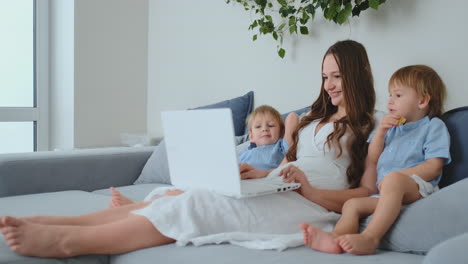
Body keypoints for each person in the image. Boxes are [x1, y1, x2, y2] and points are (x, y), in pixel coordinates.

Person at [0, 39, 378, 258]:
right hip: (280, 186)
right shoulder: (313, 117)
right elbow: (290, 166)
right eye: (325, 77)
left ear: (358, 74)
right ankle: (61, 222)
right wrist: (262, 174)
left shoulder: (372, 125)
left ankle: (68, 242)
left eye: (337, 76)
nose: (329, 85)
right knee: (191, 192)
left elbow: (363, 193)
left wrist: (307, 189)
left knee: (196, 204)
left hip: (310, 204)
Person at [301, 65, 451, 255]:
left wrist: (396, 177)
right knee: (351, 205)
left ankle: (370, 238)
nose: (390, 101)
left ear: (422, 100)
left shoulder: (433, 126)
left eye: (397, 95)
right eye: (389, 95)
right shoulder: (392, 128)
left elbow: (434, 167)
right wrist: (380, 132)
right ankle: (335, 238)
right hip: (386, 192)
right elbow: (373, 157)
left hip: (417, 188)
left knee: (393, 181)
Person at [110, 104, 299, 207]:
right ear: (251, 135)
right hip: (234, 184)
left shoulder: (280, 148)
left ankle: (141, 208)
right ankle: (142, 205)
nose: (265, 129)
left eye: (271, 125)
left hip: (259, 186)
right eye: (258, 127)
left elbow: (293, 118)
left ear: (280, 131)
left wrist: (265, 171)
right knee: (183, 192)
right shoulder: (245, 151)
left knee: (194, 199)